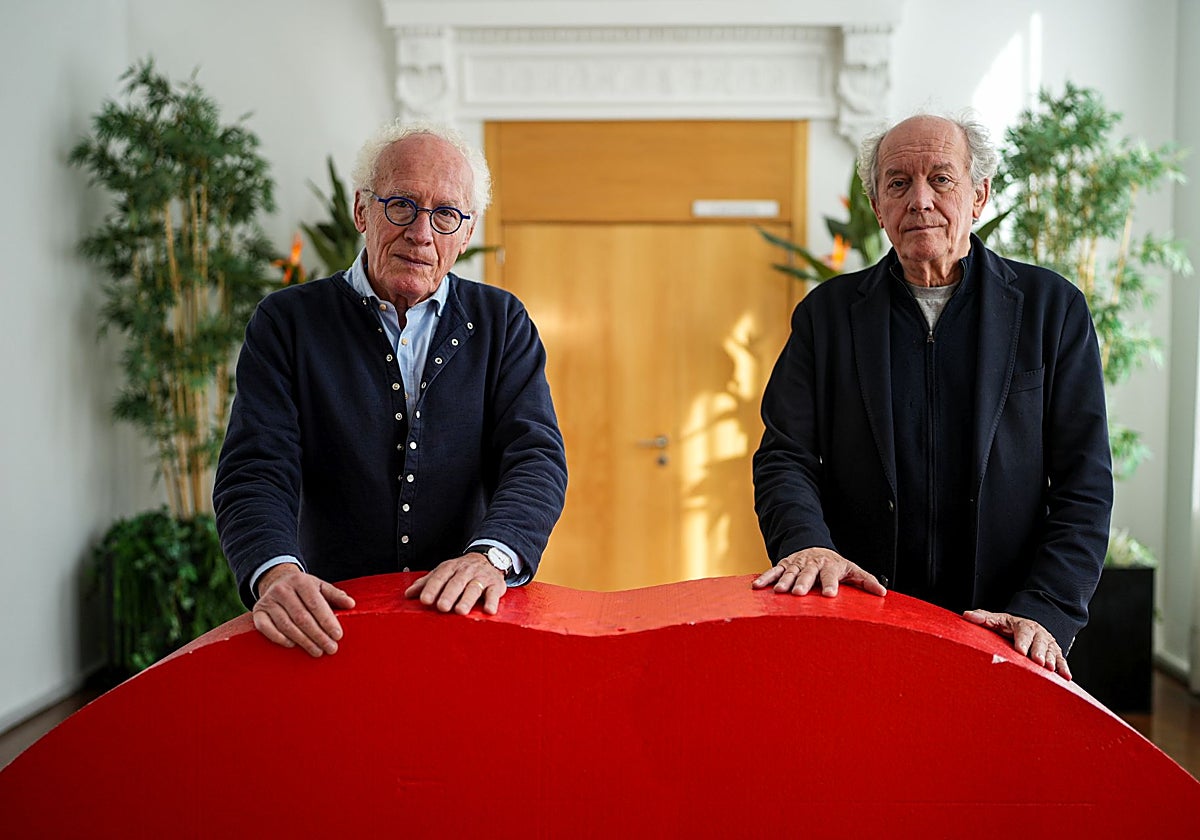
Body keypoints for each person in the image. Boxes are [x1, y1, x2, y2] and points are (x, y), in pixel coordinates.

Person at [751, 112, 1112, 679]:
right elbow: (785, 454)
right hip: (861, 622)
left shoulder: (1052, 311)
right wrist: (807, 544)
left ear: (979, 196)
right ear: (877, 206)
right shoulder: (827, 316)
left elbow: (1083, 484)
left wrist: (1047, 610)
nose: (919, 200)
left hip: (1006, 629)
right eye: (898, 183)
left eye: (941, 179)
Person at [214, 120, 568, 657]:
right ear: (362, 210)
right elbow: (256, 467)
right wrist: (275, 572)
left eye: (446, 214)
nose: (422, 233)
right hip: (328, 625)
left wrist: (488, 558)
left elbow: (535, 458)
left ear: (465, 233)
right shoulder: (287, 322)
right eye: (401, 204)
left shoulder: (502, 323)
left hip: (467, 621)